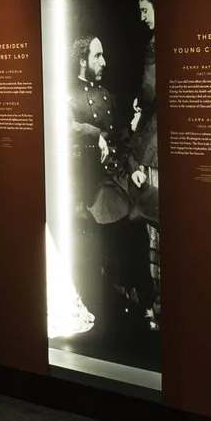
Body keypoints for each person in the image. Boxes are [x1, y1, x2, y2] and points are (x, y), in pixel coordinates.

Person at [64, 35, 140, 325]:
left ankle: (132, 299)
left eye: (103, 55)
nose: (104, 62)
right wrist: (95, 136)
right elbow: (65, 129)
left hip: (114, 175)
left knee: (136, 216)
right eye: (98, 56)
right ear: (83, 60)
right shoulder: (69, 95)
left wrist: (132, 162)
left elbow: (122, 136)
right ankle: (108, 300)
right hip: (86, 179)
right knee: (113, 221)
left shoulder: (107, 96)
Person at [128, 0, 162, 330]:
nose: (143, 17)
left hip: (155, 145)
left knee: (156, 229)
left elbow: (151, 90)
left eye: (145, 9)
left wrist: (139, 103)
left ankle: (159, 308)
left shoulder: (156, 43)